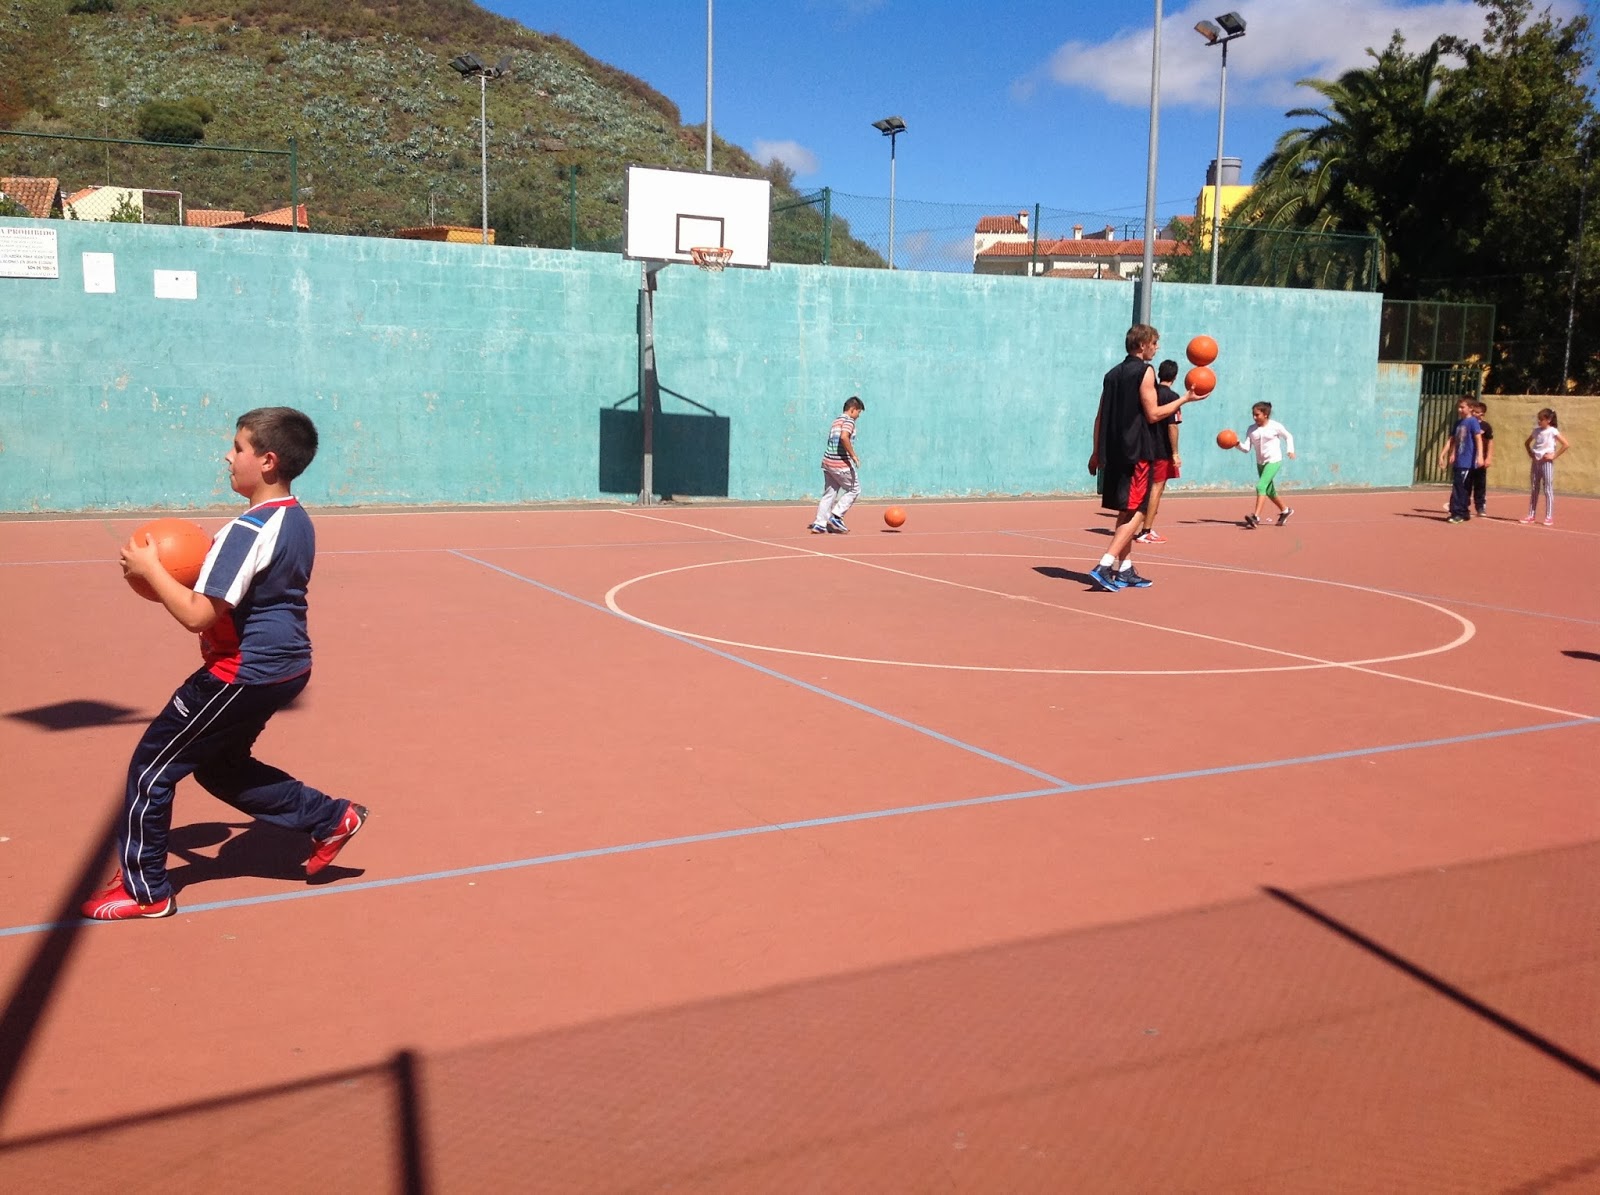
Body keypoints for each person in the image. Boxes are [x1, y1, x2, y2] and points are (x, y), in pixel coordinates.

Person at [83, 407, 367, 920]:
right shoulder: (295, 518)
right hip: (286, 665)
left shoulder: (247, 531)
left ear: (268, 461)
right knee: (219, 767)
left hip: (242, 672)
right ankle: (330, 819)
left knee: (151, 768)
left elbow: (198, 614)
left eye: (238, 448)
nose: (228, 457)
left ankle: (146, 891)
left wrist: (152, 569)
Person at [1086, 325, 1204, 590]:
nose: (1156, 347)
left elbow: (1100, 416)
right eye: (1154, 343)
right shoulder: (1145, 371)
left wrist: (1096, 452)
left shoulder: (1111, 374)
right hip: (1137, 452)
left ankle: (1124, 569)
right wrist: (1184, 399)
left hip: (1114, 452)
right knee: (1140, 510)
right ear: (1142, 345)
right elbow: (1153, 414)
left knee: (1126, 510)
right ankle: (1105, 564)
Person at [1133, 359, 1182, 545]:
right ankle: (1145, 531)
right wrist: (1175, 453)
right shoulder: (1173, 397)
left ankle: (1137, 526)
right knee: (1156, 488)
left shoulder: (1148, 392)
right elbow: (1172, 426)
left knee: (1142, 488)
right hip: (1161, 450)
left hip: (1142, 447)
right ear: (1175, 376)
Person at [1233, 402, 1296, 527]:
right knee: (1269, 491)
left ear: (1265, 414)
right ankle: (1285, 510)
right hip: (1260, 463)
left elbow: (1288, 436)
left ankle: (1255, 517)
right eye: (1253, 414)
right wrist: (1237, 444)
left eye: (1257, 415)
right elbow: (1246, 449)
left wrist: (1290, 450)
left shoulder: (1275, 426)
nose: (1254, 417)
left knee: (1261, 486)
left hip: (1274, 461)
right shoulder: (1251, 429)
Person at [809, 395, 864, 534]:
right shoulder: (849, 421)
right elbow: (844, 437)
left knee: (829, 493)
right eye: (858, 412)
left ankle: (819, 524)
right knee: (854, 489)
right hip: (840, 464)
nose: (858, 416)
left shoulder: (836, 421)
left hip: (827, 462)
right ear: (852, 409)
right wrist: (853, 456)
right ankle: (837, 516)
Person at [1436, 397, 1483, 524]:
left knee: (1460, 488)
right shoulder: (1458, 423)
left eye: (1462, 407)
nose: (1459, 409)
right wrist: (1443, 454)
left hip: (1467, 462)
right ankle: (1463, 512)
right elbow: (1452, 440)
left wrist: (1480, 456)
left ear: (1471, 408)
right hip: (1459, 461)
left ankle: (1458, 513)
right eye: (1459, 407)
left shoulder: (1473, 422)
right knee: (1459, 487)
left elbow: (1478, 439)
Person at [1521, 407, 1570, 526]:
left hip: (1546, 462)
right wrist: (1530, 452)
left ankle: (1549, 517)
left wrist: (1554, 456)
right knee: (1534, 488)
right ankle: (1531, 515)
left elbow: (1566, 444)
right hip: (1536, 462)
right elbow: (1527, 443)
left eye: (1541, 419)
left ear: (1548, 420)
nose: (1539, 421)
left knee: (1548, 488)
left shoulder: (1553, 431)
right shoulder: (1536, 431)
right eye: (1538, 419)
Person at [1468, 400, 1494, 517]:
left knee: (1480, 484)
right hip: (1468, 458)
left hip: (1480, 459)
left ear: (1482, 414)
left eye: (1477, 412)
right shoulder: (1468, 423)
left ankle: (1480, 507)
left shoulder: (1486, 426)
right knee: (1466, 484)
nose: (1474, 413)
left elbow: (1490, 442)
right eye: (1473, 411)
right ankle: (1464, 506)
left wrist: (1488, 457)